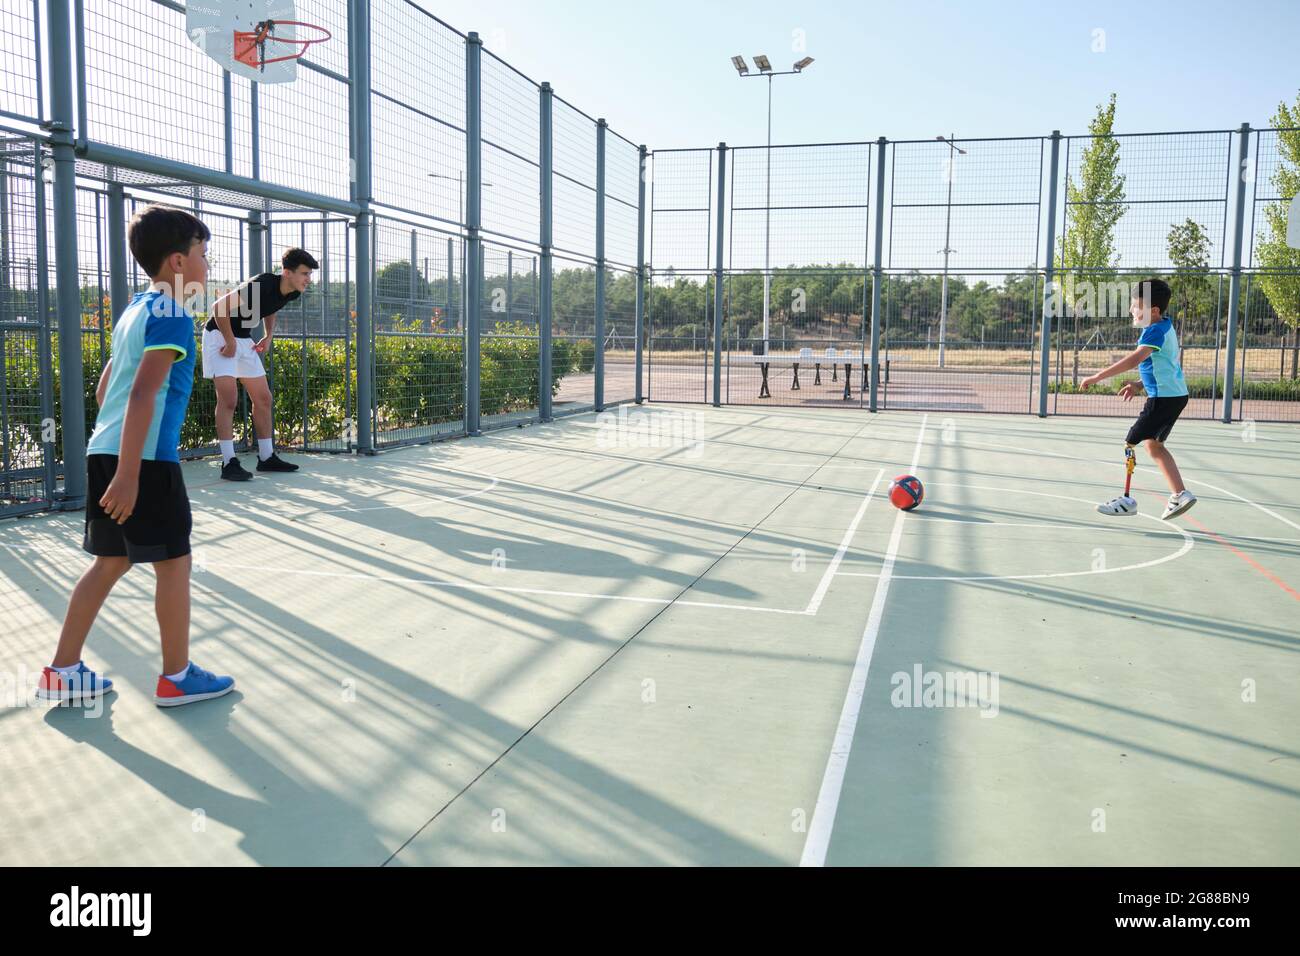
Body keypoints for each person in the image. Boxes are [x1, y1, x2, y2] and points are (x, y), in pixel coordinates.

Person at [36, 205, 235, 707]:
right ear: (176, 262)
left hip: (106, 449)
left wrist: (119, 460)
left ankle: (62, 671)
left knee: (109, 562)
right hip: (142, 462)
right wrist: (130, 473)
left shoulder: (135, 310)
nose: (207, 266)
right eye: (202, 255)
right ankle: (176, 677)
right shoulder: (172, 314)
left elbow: (108, 389)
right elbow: (144, 395)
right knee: (174, 565)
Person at [1082, 277, 1197, 520]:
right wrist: (1137, 384)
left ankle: (1127, 500)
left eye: (1136, 306)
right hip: (1174, 395)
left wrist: (1097, 376)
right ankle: (1180, 494)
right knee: (1153, 445)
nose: (1131, 310)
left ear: (1153, 311)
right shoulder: (1164, 326)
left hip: (1164, 398)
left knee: (1130, 442)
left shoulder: (1154, 331)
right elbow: (1161, 366)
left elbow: (1136, 359)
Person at [202, 248, 317, 480]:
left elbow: (271, 308)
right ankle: (228, 462)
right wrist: (230, 341)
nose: (308, 279)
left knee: (263, 399)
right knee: (228, 400)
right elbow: (219, 308)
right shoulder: (261, 284)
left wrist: (269, 334)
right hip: (219, 335)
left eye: (310, 274)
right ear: (287, 272)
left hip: (243, 338)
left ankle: (266, 457)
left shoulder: (292, 292)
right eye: (305, 273)